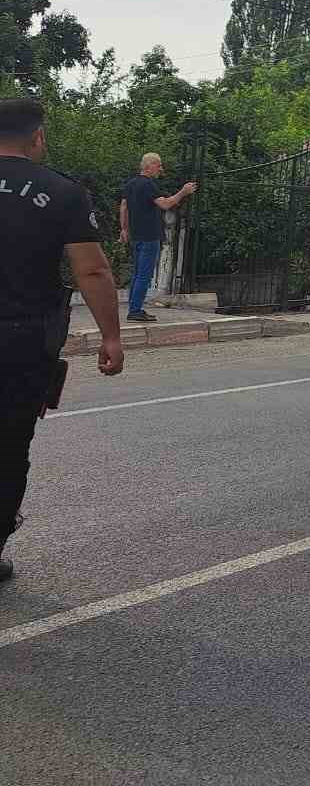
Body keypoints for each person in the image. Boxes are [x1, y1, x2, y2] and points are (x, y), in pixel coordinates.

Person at [1, 98, 124, 584]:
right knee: (9, 447)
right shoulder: (63, 192)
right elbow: (91, 268)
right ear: (36, 138)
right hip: (22, 341)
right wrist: (111, 337)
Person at [119, 153, 196, 322]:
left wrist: (124, 229)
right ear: (149, 165)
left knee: (137, 273)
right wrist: (183, 192)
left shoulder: (131, 184)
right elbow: (165, 204)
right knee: (144, 275)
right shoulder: (148, 185)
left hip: (136, 235)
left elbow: (124, 206)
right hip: (149, 235)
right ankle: (135, 310)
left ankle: (134, 307)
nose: (161, 169)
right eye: (158, 165)